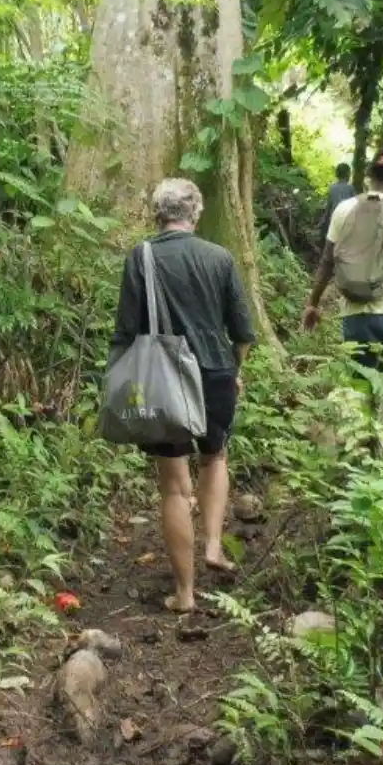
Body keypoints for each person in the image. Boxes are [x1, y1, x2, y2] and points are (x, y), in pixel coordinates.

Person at [111, 179, 255, 614]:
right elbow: (243, 332)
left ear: (158, 213)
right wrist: (235, 369)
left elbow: (127, 330)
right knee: (215, 457)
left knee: (174, 487)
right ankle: (212, 545)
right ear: (196, 213)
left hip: (164, 379)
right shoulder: (220, 257)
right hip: (215, 373)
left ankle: (185, 594)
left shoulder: (143, 256)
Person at [301, 146, 383, 387]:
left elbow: (327, 261)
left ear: (369, 175)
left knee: (360, 389)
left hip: (353, 314)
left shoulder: (344, 209)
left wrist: (312, 304)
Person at [319, 163, 358, 240]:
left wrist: (323, 221)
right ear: (348, 174)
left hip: (335, 219)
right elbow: (356, 206)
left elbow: (328, 208)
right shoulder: (350, 188)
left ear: (337, 174)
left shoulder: (332, 188)